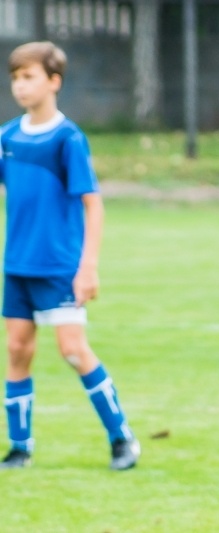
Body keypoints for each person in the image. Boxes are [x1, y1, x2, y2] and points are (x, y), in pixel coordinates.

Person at [0, 41, 139, 471]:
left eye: (29, 76)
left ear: (53, 81)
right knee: (18, 349)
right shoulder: (6, 137)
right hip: (17, 265)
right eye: (16, 77)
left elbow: (92, 204)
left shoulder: (68, 139)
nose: (20, 86)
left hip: (59, 267)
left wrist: (88, 266)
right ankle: (20, 448)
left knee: (73, 350)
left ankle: (122, 438)